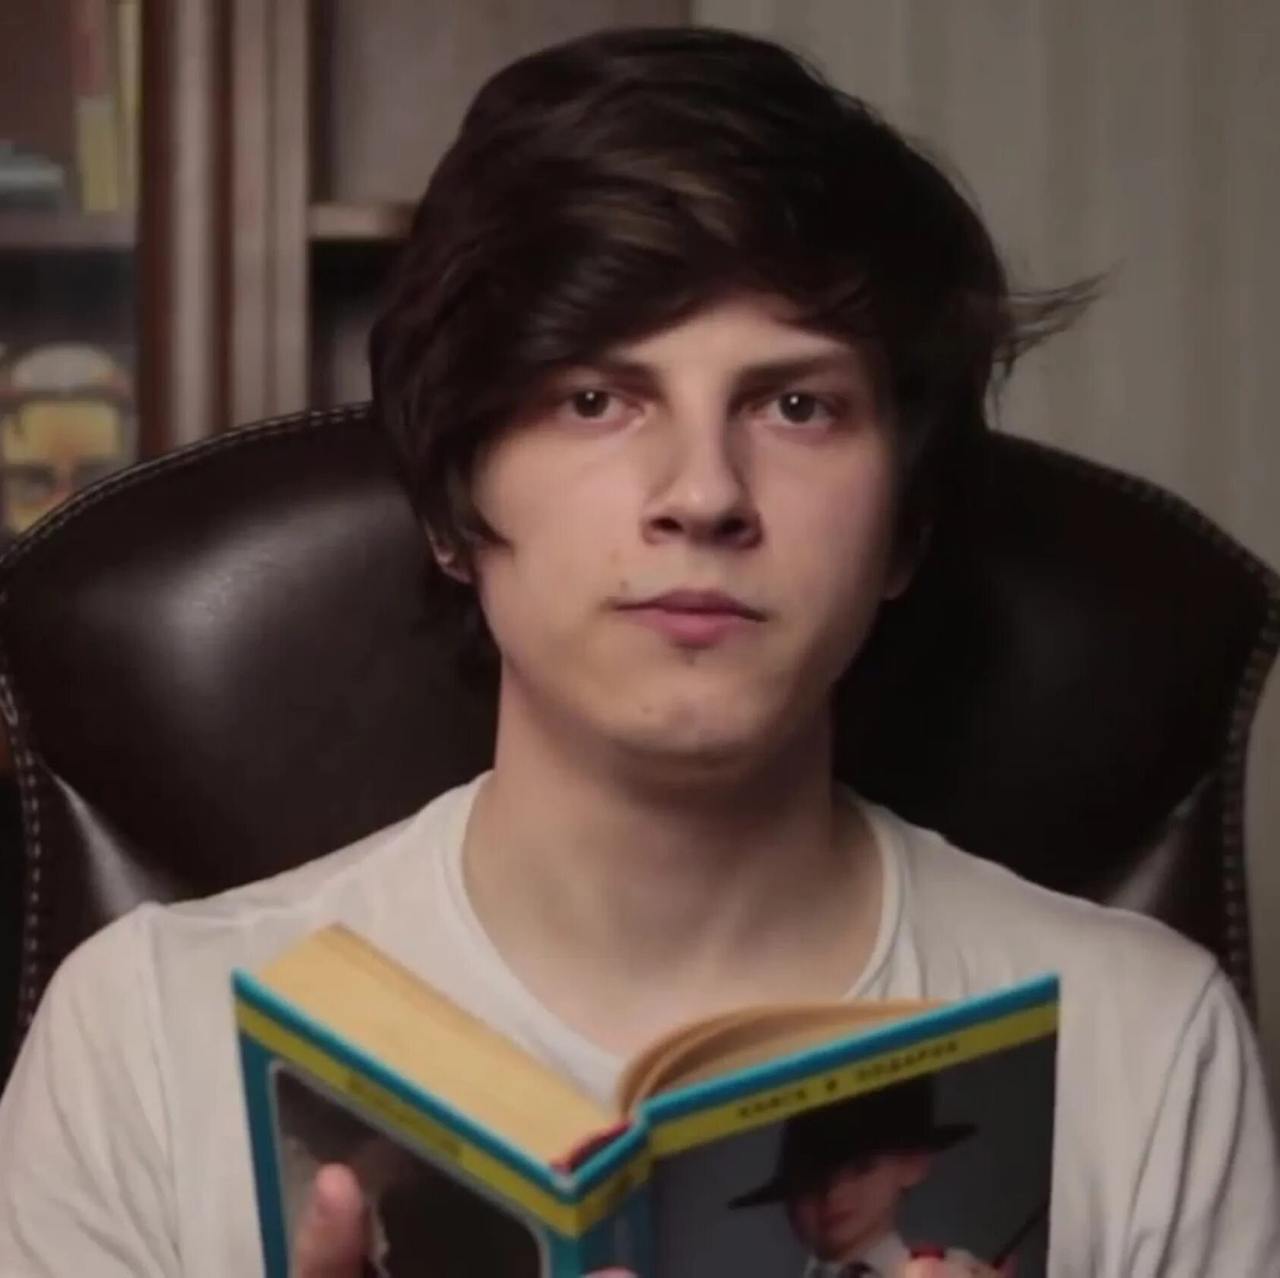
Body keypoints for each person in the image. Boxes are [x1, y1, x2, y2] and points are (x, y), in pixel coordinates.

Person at [0, 24, 1277, 1278]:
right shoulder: (147, 1037)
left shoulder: (1141, 1045)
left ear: (905, 528)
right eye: (594, 400)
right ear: (451, 509)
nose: (702, 494)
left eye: (796, 405)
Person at [726, 1077, 1011, 1278]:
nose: (832, 1194)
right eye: (810, 1180)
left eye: (861, 1167)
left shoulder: (955, 1272)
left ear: (913, 1163)